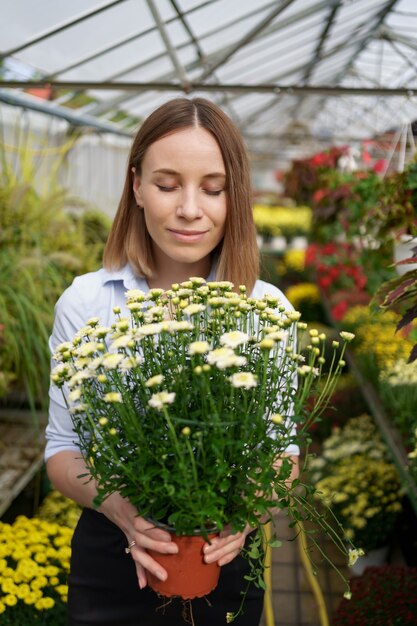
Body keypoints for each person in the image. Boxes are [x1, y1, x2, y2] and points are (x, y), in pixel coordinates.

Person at [45, 97, 299, 626]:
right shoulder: (88, 304)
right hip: (113, 558)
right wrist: (121, 510)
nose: (190, 209)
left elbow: (283, 453)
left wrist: (247, 518)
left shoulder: (265, 311)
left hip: (221, 559)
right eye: (167, 185)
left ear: (237, 197)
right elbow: (63, 450)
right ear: (135, 185)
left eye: (213, 188)